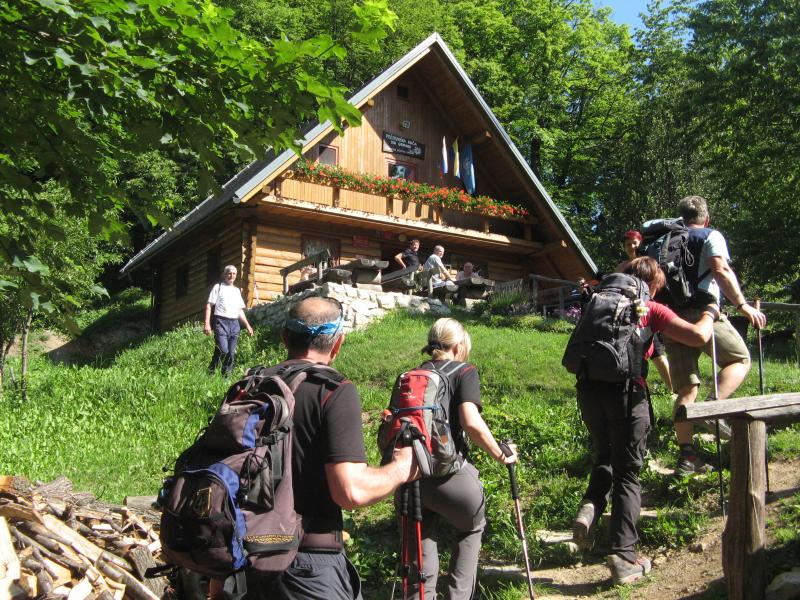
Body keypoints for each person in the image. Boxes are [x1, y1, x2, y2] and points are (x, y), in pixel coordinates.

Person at [231, 296, 419, 600]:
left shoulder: (251, 385)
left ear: (285, 337)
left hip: (243, 561)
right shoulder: (332, 390)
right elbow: (351, 491)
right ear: (338, 343)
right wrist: (402, 468)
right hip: (307, 565)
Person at [571, 257, 720, 585]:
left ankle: (590, 507)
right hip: (627, 394)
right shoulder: (650, 308)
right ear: (651, 285)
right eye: (658, 287)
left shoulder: (599, 304)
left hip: (588, 390)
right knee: (628, 472)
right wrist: (710, 311)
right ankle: (624, 557)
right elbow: (698, 336)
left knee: (605, 454)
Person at [403, 318, 517, 599]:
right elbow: (471, 421)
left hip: (411, 477)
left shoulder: (411, 375)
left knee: (421, 546)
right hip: (451, 478)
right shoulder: (464, 371)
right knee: (471, 528)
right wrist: (500, 454)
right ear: (457, 346)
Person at [663, 196, 766, 474]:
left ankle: (687, 457)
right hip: (703, 314)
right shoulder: (711, 235)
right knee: (740, 359)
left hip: (671, 319)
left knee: (686, 389)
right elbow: (720, 269)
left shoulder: (665, 240)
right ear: (706, 218)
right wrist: (743, 306)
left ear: (681, 217)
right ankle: (712, 408)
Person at [615, 230, 673, 392]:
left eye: (634, 243)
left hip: (645, 314)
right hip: (627, 314)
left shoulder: (649, 263)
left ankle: (672, 389)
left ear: (640, 243)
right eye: (628, 244)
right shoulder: (621, 266)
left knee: (658, 354)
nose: (631, 247)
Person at [204, 265, 254, 376]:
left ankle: (226, 377)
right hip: (220, 322)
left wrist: (248, 326)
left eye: (234, 274)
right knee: (223, 350)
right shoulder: (218, 287)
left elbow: (240, 310)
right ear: (225, 274)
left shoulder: (236, 291)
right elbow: (209, 305)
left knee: (231, 353)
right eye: (229, 273)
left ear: (236, 275)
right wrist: (207, 324)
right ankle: (211, 370)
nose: (231, 276)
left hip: (234, 324)